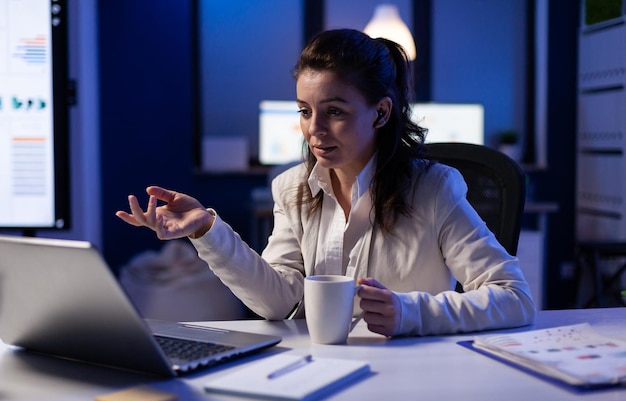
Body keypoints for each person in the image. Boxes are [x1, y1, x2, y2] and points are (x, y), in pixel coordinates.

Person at [116, 28, 535, 337]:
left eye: (334, 111)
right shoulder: (293, 189)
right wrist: (207, 230)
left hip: (408, 376)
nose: (314, 129)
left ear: (381, 113)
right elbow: (278, 302)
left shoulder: (434, 187)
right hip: (317, 372)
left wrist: (411, 313)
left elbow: (514, 298)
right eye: (304, 110)